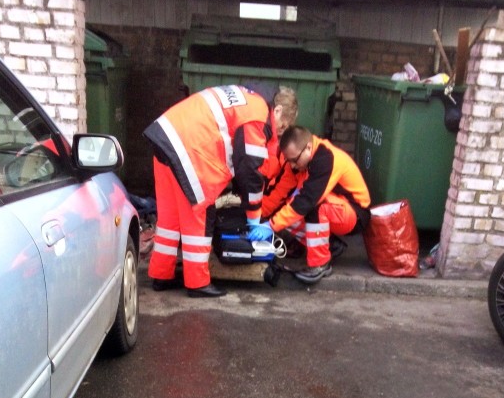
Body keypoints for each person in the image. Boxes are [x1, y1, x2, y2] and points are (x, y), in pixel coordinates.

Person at [144, 84, 298, 297]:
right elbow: (249, 168)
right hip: (190, 149)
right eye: (281, 127)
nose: (277, 133)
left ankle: (161, 275)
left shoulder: (246, 97)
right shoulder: (258, 114)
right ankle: (197, 283)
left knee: (170, 219)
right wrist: (254, 216)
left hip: (166, 137)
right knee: (200, 213)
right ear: (278, 110)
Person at [249, 125, 371, 283]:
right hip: (335, 207)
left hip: (356, 213)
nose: (292, 165)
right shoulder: (298, 161)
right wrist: (257, 217)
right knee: (286, 208)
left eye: (294, 160)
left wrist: (271, 226)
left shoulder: (326, 158)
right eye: (289, 160)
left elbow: (307, 200)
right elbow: (279, 193)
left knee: (311, 208)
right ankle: (330, 246)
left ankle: (320, 265)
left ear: (308, 147)